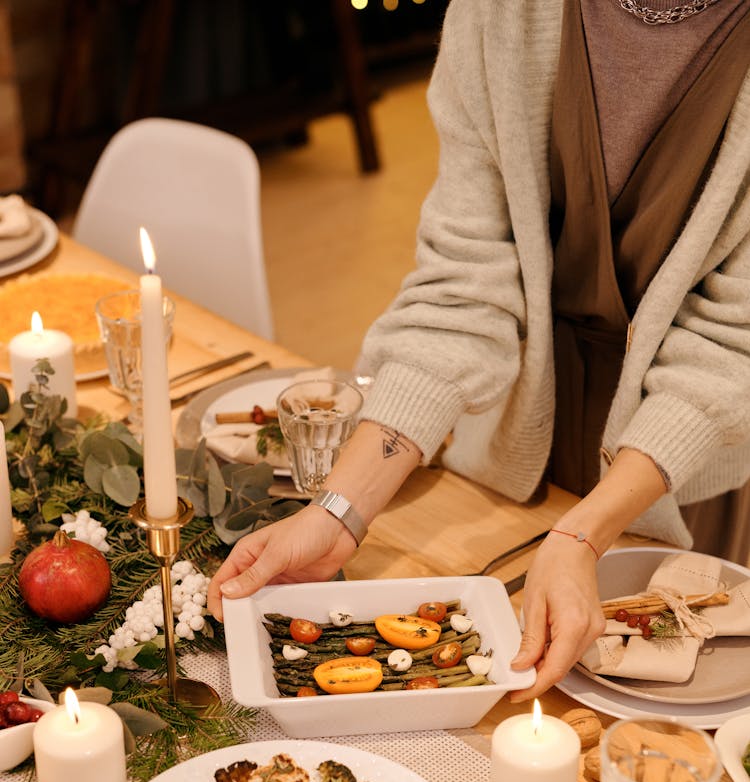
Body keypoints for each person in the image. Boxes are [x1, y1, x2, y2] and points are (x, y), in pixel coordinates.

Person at [207, 0, 750, 701]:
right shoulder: (501, 13)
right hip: (520, 447)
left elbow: (731, 341)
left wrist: (584, 534)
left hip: (682, 470)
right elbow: (462, 284)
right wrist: (338, 513)